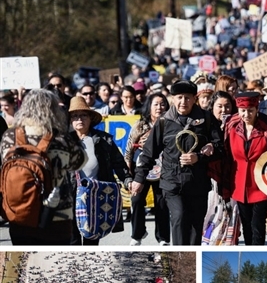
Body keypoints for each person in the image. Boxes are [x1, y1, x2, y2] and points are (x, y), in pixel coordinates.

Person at [131, 80, 223, 245]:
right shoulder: (164, 122)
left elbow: (220, 148)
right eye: (179, 97)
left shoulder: (206, 119)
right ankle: (180, 257)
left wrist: (200, 157)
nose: (183, 102)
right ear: (172, 99)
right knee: (179, 217)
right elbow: (148, 153)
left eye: (187, 98)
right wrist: (139, 178)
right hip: (172, 181)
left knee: (196, 227)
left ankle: (192, 261)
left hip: (198, 183)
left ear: (195, 98)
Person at [0, 89, 86, 245]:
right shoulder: (61, 138)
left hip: (20, 213)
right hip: (57, 217)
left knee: (25, 264)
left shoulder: (9, 136)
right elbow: (80, 162)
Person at [222, 92, 267, 245]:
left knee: (257, 222)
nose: (246, 114)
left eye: (250, 110)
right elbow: (227, 155)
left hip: (262, 183)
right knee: (246, 223)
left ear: (257, 109)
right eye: (242, 110)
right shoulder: (232, 126)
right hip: (239, 183)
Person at [68, 96, 133, 245]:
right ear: (70, 120)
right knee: (72, 240)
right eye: (75, 116)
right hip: (70, 197)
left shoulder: (104, 140)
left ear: (90, 118)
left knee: (92, 237)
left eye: (83, 115)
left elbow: (119, 164)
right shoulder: (64, 142)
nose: (79, 119)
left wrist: (127, 180)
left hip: (95, 196)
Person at [123, 92, 171, 246]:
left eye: (163, 103)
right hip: (142, 168)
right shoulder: (140, 125)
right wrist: (128, 176)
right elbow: (129, 150)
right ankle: (137, 234)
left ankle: (163, 238)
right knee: (136, 199)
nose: (159, 107)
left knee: (161, 203)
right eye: (156, 104)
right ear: (149, 106)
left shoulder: (170, 124)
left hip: (163, 170)